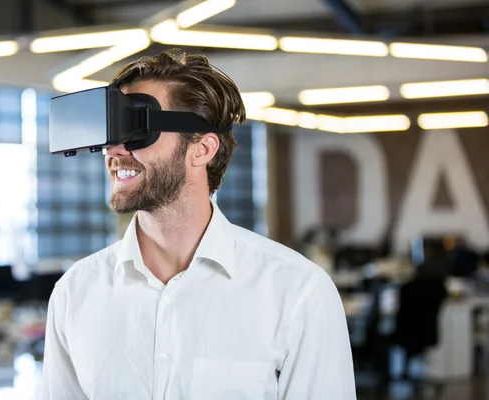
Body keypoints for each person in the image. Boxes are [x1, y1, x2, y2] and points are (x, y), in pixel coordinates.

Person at [41, 48, 356, 399]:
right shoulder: (75, 293)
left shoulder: (298, 292)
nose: (115, 151)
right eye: (112, 132)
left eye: (136, 128)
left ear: (202, 149)